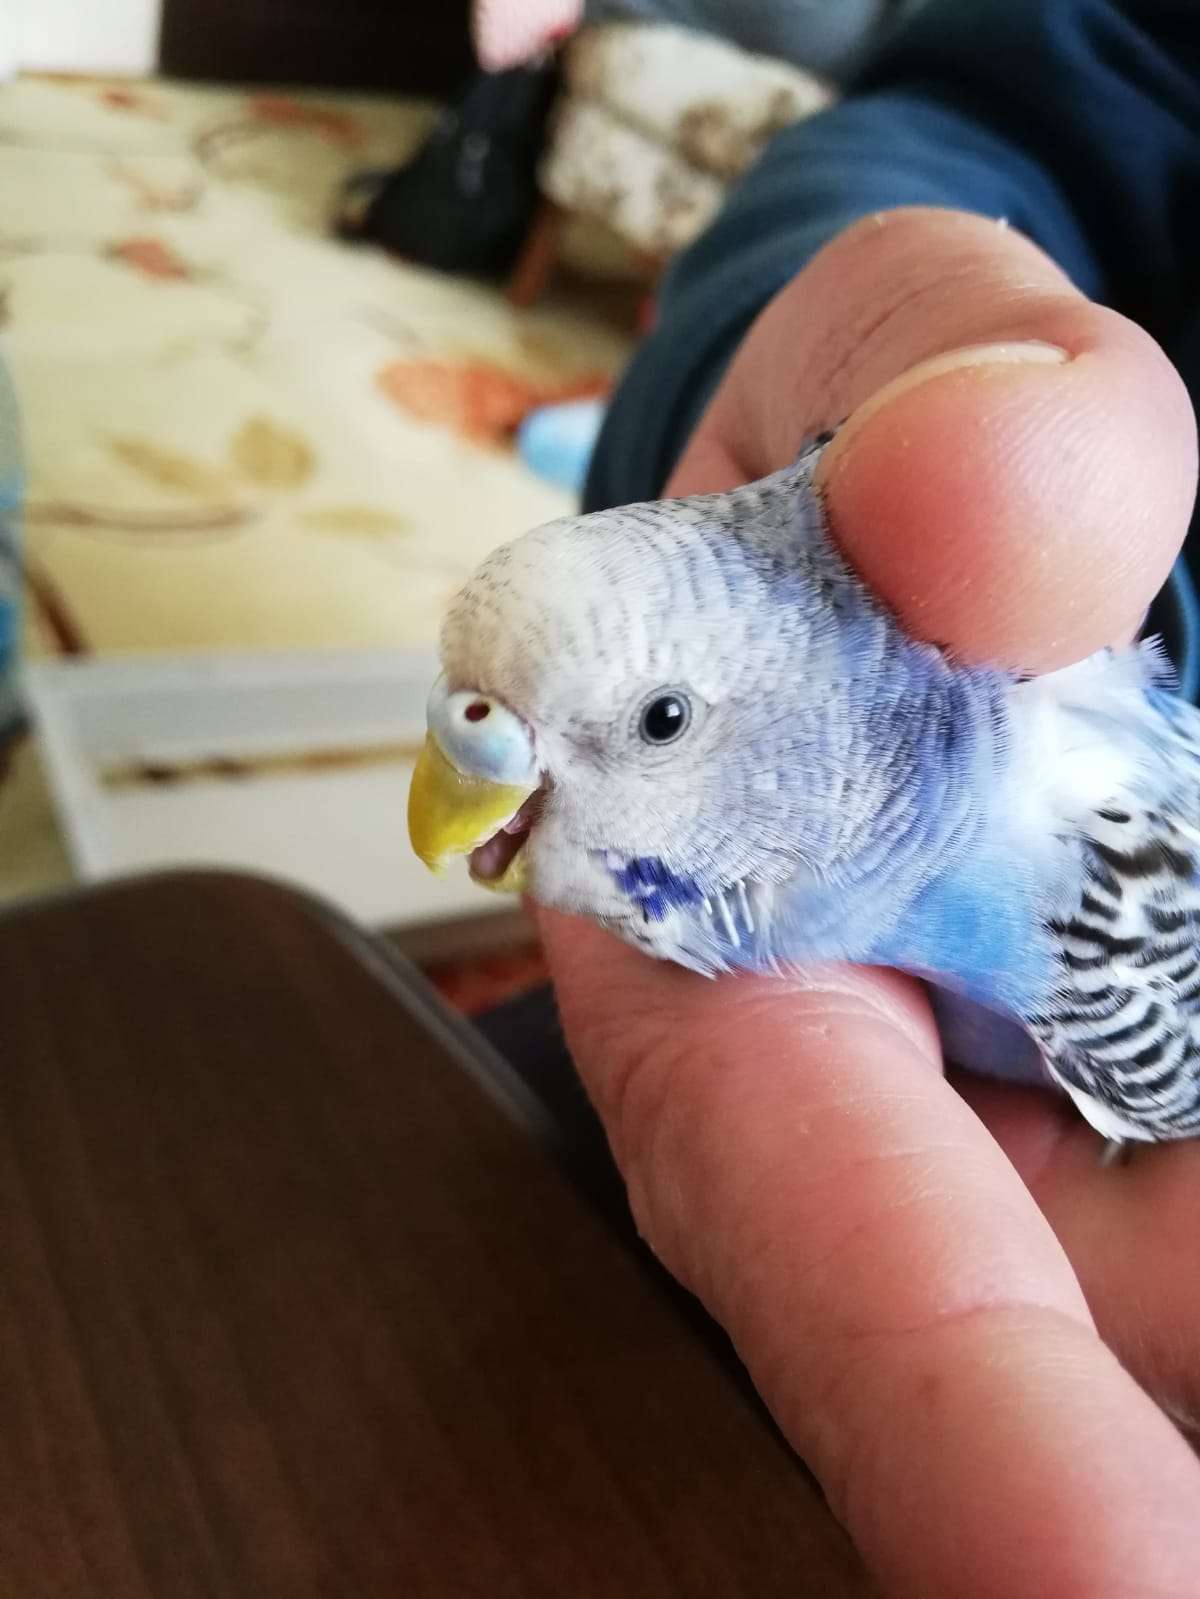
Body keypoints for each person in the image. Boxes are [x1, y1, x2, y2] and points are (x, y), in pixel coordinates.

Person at [478, 2, 1200, 1593]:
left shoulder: (1081, 851)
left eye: (662, 721)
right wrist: (814, 328)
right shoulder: (909, 526)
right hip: (795, 1134)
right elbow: (1009, 98)